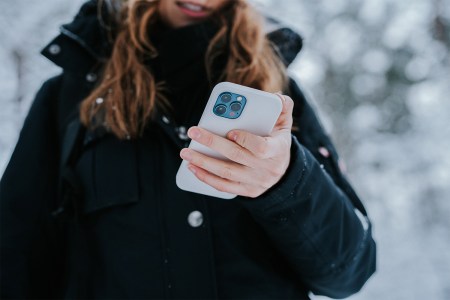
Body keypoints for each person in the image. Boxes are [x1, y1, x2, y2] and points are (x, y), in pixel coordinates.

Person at [0, 0, 376, 299]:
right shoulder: (68, 96)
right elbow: (15, 255)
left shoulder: (277, 95)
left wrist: (286, 181)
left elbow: (349, 272)